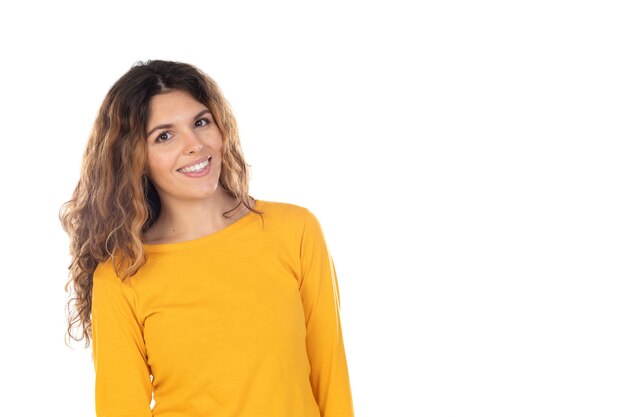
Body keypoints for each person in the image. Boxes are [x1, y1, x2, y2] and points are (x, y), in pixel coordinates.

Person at [60, 59, 354, 417]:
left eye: (201, 122)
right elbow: (121, 408)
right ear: (135, 158)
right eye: (164, 136)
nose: (195, 145)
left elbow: (331, 377)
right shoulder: (122, 275)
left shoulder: (294, 230)